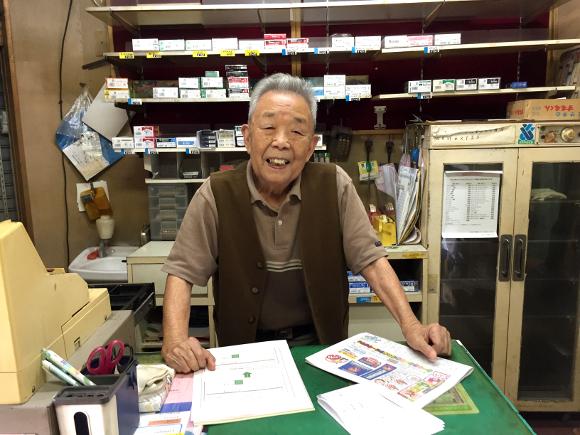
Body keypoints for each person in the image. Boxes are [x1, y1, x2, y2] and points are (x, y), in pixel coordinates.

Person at [160, 73, 451, 374]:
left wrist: (411, 325)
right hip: (243, 354)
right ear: (247, 137)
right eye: (269, 128)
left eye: (296, 132)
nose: (281, 142)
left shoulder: (334, 185)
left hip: (322, 350)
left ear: (312, 146)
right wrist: (175, 339)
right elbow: (182, 272)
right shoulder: (216, 192)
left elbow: (372, 261)